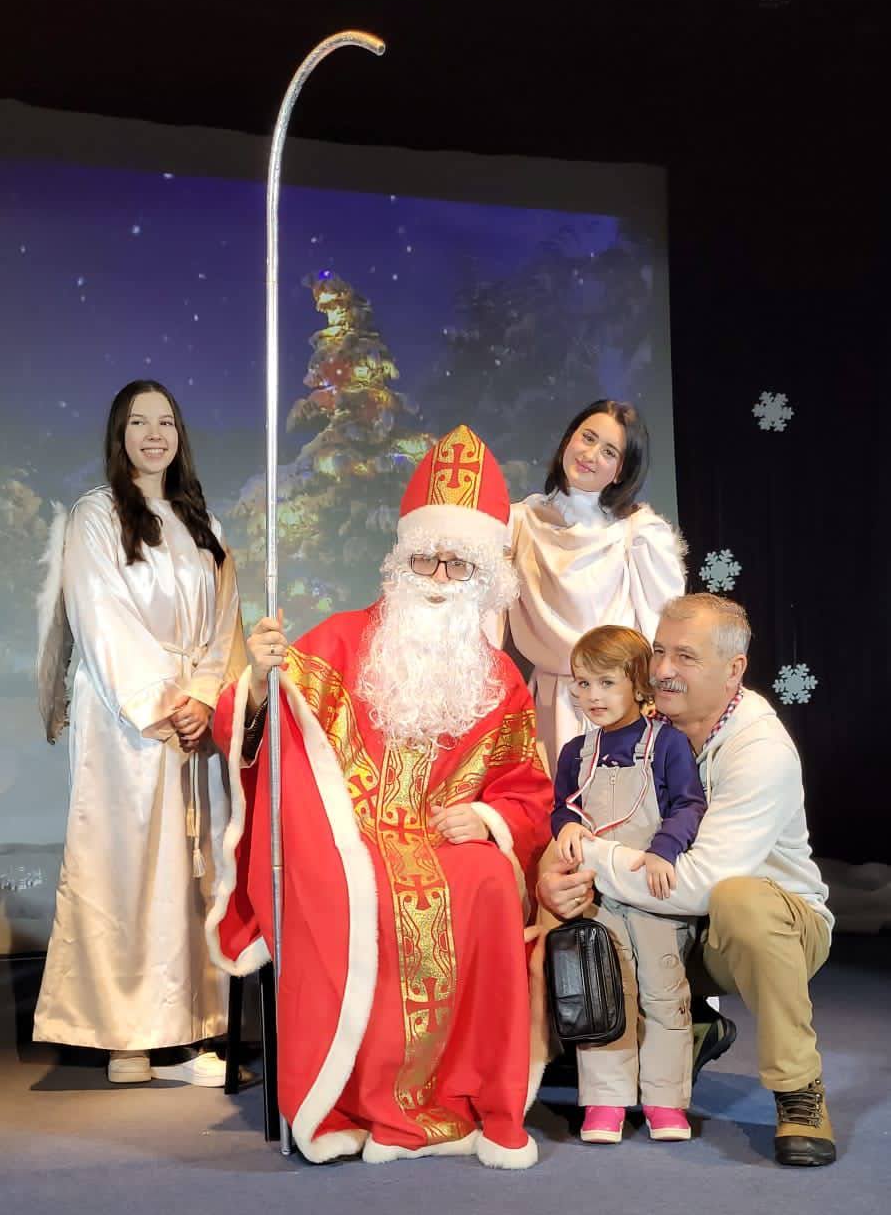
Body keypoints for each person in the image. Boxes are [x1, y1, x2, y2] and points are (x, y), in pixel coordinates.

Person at [207, 425, 555, 1168]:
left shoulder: (500, 681)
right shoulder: (338, 640)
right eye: (426, 558)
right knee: (341, 883)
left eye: (457, 563)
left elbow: (527, 790)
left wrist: (488, 817)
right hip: (347, 837)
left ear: (483, 578)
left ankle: (465, 1092)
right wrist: (260, 684)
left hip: (443, 839)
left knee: (489, 881)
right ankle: (349, 1094)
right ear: (401, 562)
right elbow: (265, 734)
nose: (438, 575)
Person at [537, 593, 835, 1168]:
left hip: (758, 929)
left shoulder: (759, 750)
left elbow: (698, 885)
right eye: (658, 652)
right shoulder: (634, 726)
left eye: (686, 656)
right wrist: (556, 877)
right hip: (664, 921)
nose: (663, 669)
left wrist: (589, 857)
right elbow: (574, 815)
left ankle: (799, 1089)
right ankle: (672, 1034)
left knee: (741, 901)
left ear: (734, 669)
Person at [34, 381, 245, 1085]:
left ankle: (190, 1027)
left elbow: (226, 623)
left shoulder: (202, 521)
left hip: (194, 722)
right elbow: (101, 617)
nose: (154, 435)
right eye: (138, 423)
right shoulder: (96, 517)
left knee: (193, 868)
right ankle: (126, 1035)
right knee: (127, 865)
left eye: (166, 423)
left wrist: (206, 696)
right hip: (128, 720)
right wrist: (164, 702)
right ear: (118, 435)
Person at [552, 624, 707, 1142]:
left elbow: (688, 805)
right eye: (583, 684)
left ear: (638, 683)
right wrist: (565, 826)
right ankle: (605, 1100)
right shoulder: (575, 752)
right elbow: (562, 808)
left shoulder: (668, 744)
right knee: (604, 990)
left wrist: (664, 850)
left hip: (654, 894)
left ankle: (665, 1100)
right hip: (599, 897)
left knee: (663, 992)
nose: (592, 696)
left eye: (606, 683)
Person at [499, 399, 685, 770]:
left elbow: (663, 628)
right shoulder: (518, 522)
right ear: (569, 439)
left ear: (620, 471)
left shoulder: (638, 533)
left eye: (609, 451)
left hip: (618, 709)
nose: (590, 455)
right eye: (588, 438)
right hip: (546, 706)